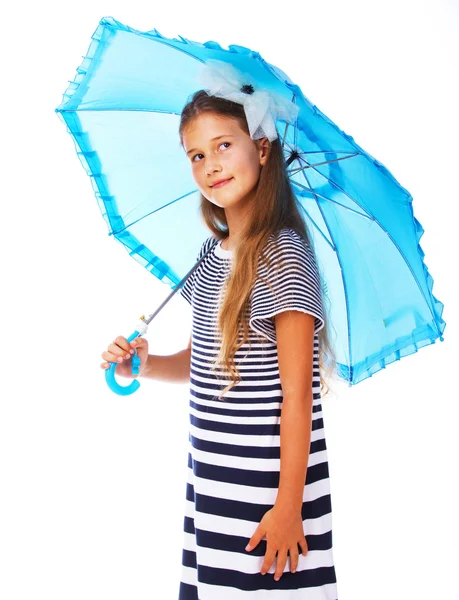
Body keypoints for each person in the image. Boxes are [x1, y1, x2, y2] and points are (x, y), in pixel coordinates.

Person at [101, 60, 338, 599]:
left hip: (270, 489)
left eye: (223, 146)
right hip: (213, 480)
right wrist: (142, 364)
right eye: (197, 155)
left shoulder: (283, 258)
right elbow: (204, 360)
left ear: (261, 148)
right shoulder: (211, 257)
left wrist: (287, 508)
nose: (210, 164)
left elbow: (297, 398)